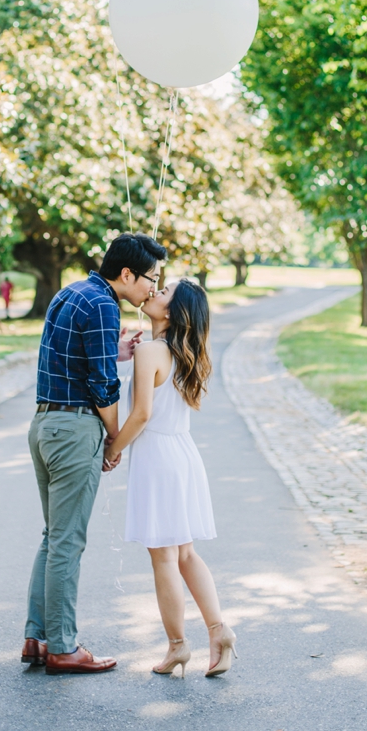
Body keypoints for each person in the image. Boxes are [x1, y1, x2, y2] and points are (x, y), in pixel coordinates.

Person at [21, 232, 165, 675]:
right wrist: (114, 439)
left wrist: (116, 351)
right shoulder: (105, 305)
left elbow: (72, 359)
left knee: (54, 536)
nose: (153, 289)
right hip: (74, 431)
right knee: (68, 540)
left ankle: (38, 638)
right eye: (150, 279)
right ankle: (64, 646)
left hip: (45, 424)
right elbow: (103, 389)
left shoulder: (72, 292)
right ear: (126, 274)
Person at [105, 278, 237, 678]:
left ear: (172, 312)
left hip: (158, 459)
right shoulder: (186, 353)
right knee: (184, 554)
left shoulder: (150, 351)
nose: (154, 292)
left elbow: (142, 414)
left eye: (163, 293)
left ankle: (178, 645)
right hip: (182, 455)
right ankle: (220, 630)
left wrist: (114, 448)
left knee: (163, 556)